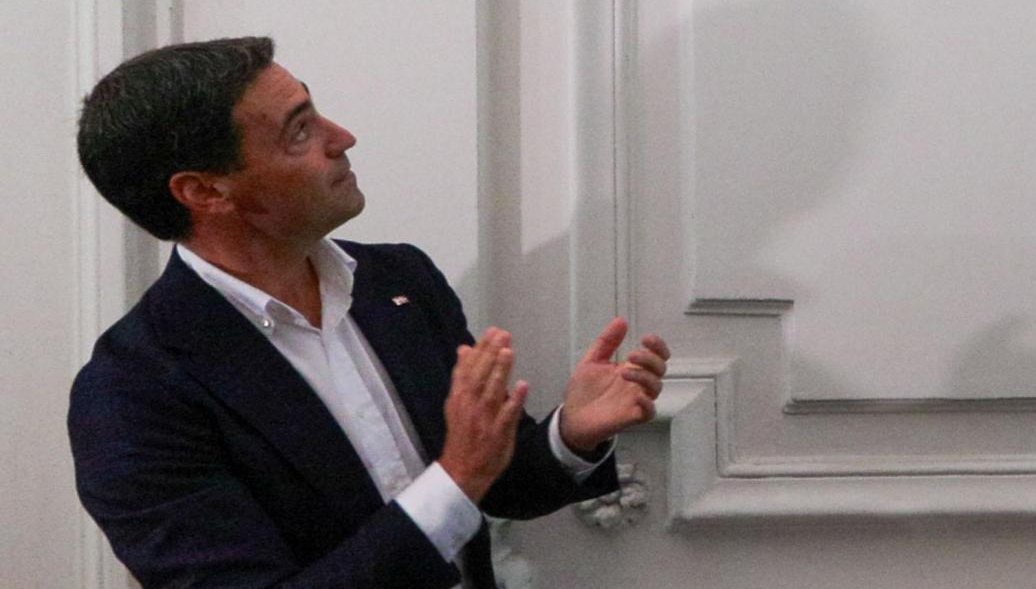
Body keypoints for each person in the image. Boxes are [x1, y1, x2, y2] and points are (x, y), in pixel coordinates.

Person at [68, 36, 670, 589]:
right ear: (204, 192)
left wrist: (571, 434)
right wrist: (456, 476)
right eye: (299, 131)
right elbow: (459, 479)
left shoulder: (398, 281)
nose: (343, 137)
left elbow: (495, 480)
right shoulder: (131, 393)